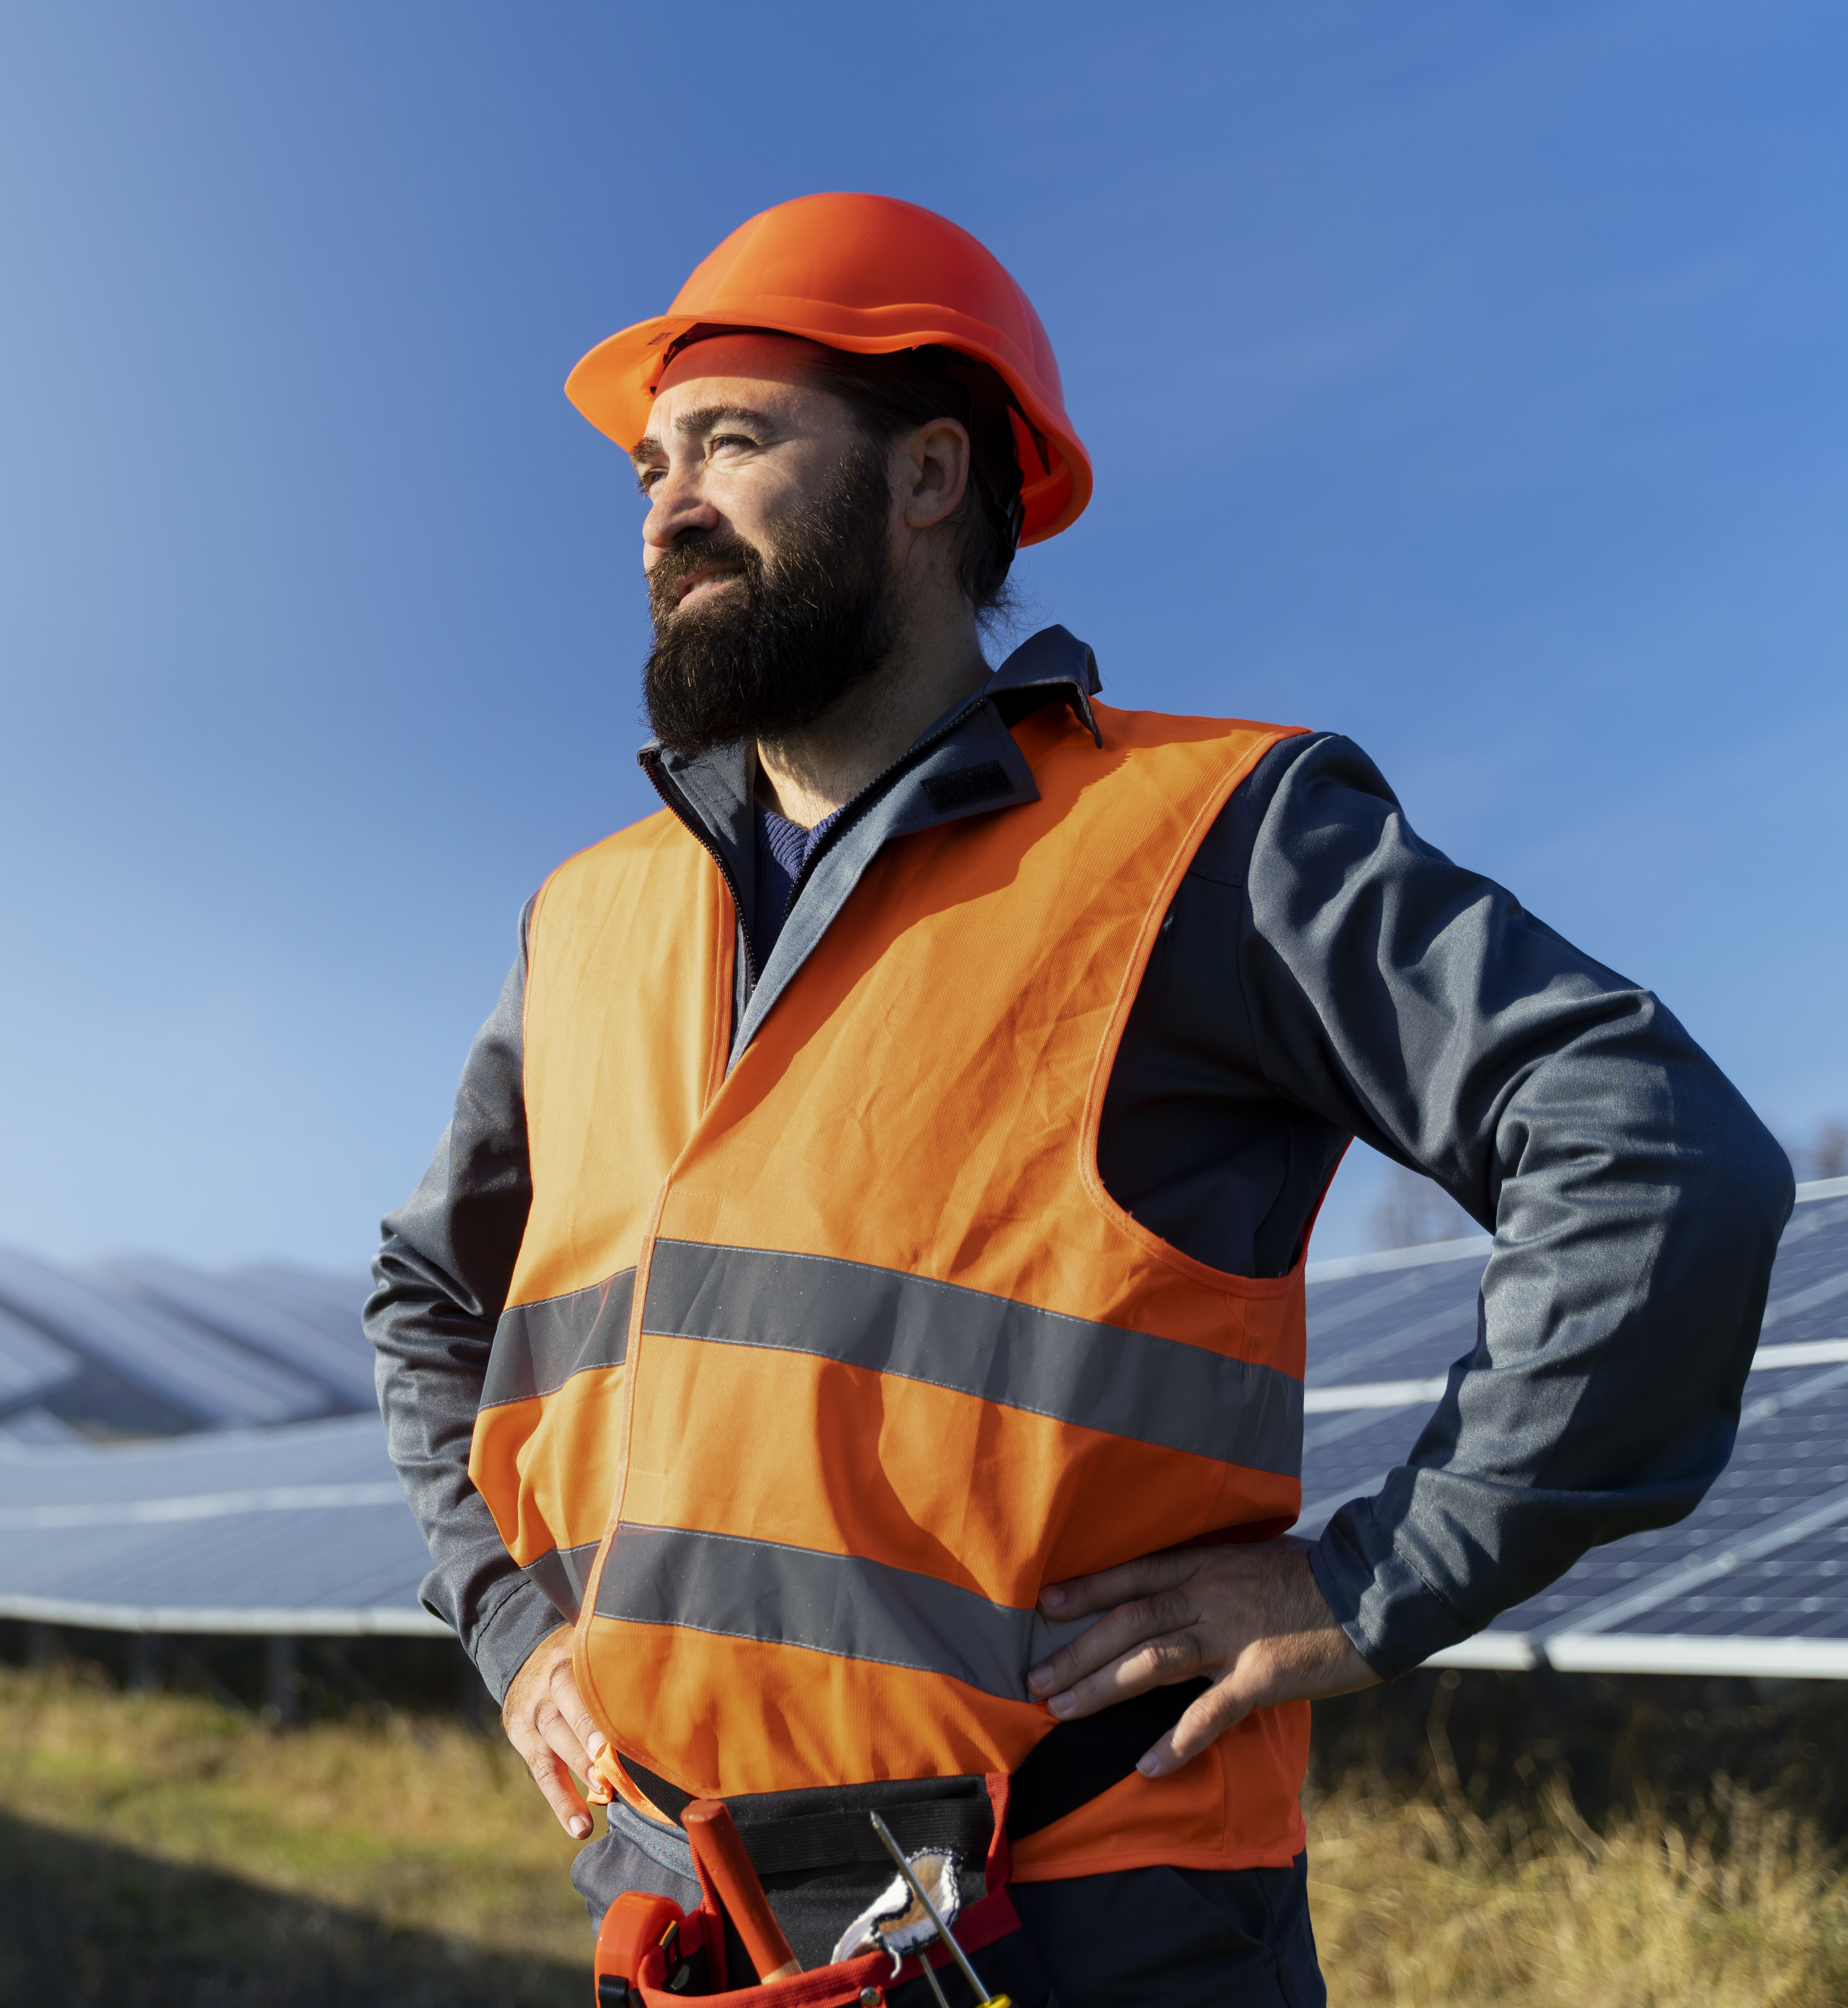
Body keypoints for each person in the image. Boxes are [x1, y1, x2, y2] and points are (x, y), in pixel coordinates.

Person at [367, 193, 1792, 2003]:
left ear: (928, 473)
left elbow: (1654, 1153)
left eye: (728, 442)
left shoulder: (1209, 837)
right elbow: (427, 1299)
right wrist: (513, 1632)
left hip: (1090, 1929)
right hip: (687, 1921)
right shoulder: (585, 916)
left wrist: (1374, 1579)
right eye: (650, 466)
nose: (664, 506)